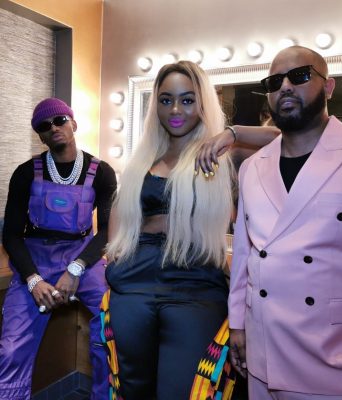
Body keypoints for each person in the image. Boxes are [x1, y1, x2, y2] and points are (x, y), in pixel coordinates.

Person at [228, 45, 342, 400]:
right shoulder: (252, 167)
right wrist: (237, 325)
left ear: (329, 87)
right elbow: (244, 257)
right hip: (264, 358)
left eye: (300, 75)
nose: (285, 86)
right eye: (275, 82)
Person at [104, 60, 278, 400]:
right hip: (134, 282)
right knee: (133, 388)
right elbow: (122, 214)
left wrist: (231, 133)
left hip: (195, 282)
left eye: (187, 99)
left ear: (202, 102)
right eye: (166, 100)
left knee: (184, 390)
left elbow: (284, 138)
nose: (175, 110)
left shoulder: (223, 153)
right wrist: (112, 261)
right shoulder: (146, 157)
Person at [0, 98, 117, 399]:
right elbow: (11, 236)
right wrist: (33, 280)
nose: (53, 128)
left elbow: (107, 230)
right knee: (11, 348)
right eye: (44, 126)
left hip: (83, 257)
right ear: (40, 136)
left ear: (73, 123)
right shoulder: (25, 173)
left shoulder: (102, 172)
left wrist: (76, 269)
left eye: (60, 120)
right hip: (35, 258)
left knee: (111, 329)